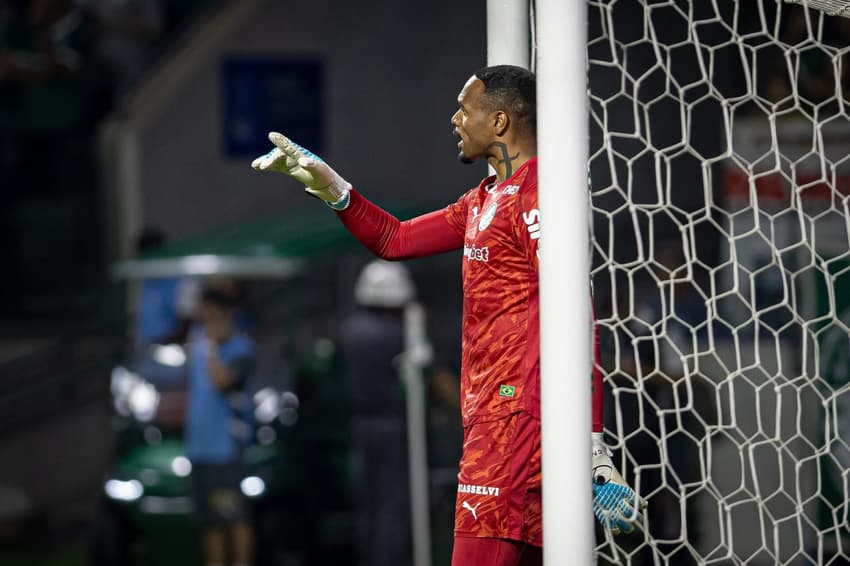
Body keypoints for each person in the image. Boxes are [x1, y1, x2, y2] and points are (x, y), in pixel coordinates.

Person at [251, 65, 643, 565]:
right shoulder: (481, 201)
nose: (455, 119)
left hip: (513, 421)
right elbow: (395, 239)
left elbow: (574, 312)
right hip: (489, 415)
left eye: (466, 110)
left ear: (499, 122)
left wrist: (591, 441)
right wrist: (333, 186)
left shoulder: (538, 197)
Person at [339, 259, 416, 566]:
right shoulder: (399, 333)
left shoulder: (350, 330)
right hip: (394, 425)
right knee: (393, 505)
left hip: (361, 424)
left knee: (369, 502)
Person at [186, 285, 256, 566]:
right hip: (199, 448)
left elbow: (221, 382)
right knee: (211, 523)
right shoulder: (198, 343)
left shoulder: (241, 349)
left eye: (213, 315)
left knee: (235, 519)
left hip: (225, 450)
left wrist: (213, 347)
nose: (207, 322)